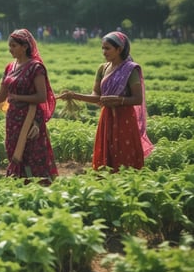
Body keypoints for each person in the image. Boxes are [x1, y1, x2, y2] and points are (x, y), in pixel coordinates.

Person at [0, 28, 58, 184]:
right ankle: (20, 184)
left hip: (30, 118)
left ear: (25, 46)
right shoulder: (10, 67)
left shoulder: (36, 67)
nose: (10, 49)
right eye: (9, 46)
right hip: (13, 119)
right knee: (13, 149)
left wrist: (18, 97)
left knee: (32, 152)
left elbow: (41, 96)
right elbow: (1, 96)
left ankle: (39, 185)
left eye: (14, 46)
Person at [56, 31, 154, 172]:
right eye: (102, 48)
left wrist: (119, 100)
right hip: (107, 118)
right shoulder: (102, 69)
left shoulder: (130, 70)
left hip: (124, 119)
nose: (103, 52)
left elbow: (138, 98)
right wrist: (73, 95)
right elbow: (97, 96)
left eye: (107, 48)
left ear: (119, 49)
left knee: (125, 156)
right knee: (106, 156)